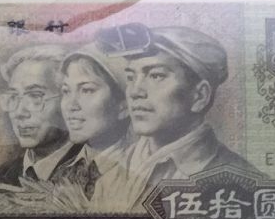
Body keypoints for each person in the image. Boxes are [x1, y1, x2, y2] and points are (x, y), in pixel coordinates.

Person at [97, 23, 257, 206]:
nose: (134, 92)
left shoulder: (242, 183)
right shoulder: (109, 168)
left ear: (199, 95)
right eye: (131, 78)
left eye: (156, 76)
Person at [0, 44, 83, 207]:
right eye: (13, 97)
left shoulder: (99, 175)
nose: (19, 112)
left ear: (67, 99)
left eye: (35, 96)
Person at [55, 44, 131, 206]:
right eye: (66, 91)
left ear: (123, 106)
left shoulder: (138, 173)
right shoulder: (61, 172)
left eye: (87, 90)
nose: (71, 105)